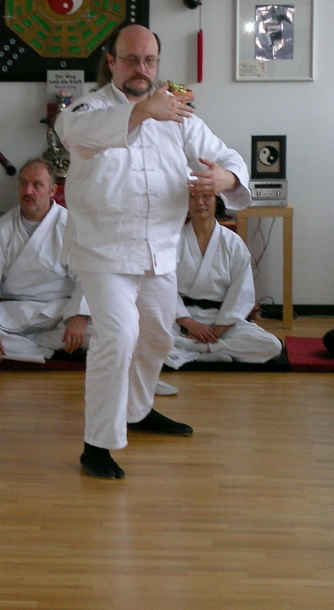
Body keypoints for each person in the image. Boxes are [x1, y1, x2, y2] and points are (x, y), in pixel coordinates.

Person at [58, 23, 251, 479]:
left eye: (149, 61)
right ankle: (97, 444)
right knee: (120, 335)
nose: (140, 69)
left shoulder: (178, 115)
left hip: (158, 251)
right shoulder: (90, 107)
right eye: (130, 59)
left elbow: (228, 157)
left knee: (157, 338)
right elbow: (76, 133)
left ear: (157, 64)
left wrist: (224, 179)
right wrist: (144, 111)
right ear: (111, 62)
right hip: (103, 253)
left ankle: (138, 411)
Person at [0, 158, 92, 363]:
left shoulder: (70, 226)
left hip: (59, 311)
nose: (28, 191)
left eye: (37, 185)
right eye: (24, 183)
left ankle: (25, 348)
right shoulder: (1, 229)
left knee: (101, 331)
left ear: (52, 190)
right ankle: (49, 348)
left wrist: (78, 317)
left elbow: (87, 277)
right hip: (13, 313)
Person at [165, 193, 283, 369]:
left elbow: (242, 290)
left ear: (217, 201)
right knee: (143, 339)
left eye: (206, 197)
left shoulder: (233, 242)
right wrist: (189, 322)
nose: (199, 202)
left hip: (222, 319)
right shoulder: (173, 241)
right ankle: (212, 353)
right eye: (192, 197)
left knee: (272, 346)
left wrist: (218, 329)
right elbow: (165, 287)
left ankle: (197, 349)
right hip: (182, 320)